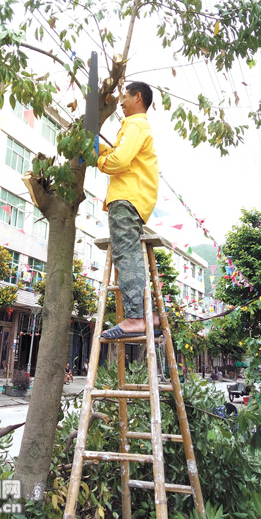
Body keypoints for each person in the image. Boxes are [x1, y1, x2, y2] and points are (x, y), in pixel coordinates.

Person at [97, 81, 160, 340]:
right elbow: (120, 155)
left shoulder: (135, 124)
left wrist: (101, 161)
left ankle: (135, 318)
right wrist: (101, 152)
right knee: (128, 253)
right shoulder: (135, 127)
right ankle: (148, 315)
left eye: (125, 97)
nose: (120, 102)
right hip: (135, 198)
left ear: (138, 97)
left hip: (126, 198)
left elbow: (120, 160)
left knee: (126, 255)